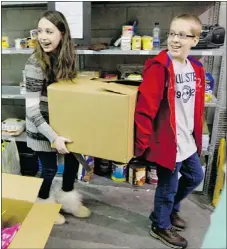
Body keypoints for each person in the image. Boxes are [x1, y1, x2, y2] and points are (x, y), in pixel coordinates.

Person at [134, 14, 205, 248]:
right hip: (167, 141)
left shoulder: (196, 68)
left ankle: (169, 211)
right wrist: (141, 143)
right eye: (172, 33)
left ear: (194, 40)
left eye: (183, 35)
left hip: (187, 139)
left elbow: (195, 105)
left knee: (196, 176)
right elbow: (145, 109)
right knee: (168, 186)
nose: (175, 40)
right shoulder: (159, 69)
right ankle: (160, 225)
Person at [25, 10, 91, 225]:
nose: (43, 37)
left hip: (65, 121)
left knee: (72, 161)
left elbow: (73, 93)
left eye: (49, 31)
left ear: (62, 34)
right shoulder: (34, 64)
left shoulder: (69, 57)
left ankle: (68, 199)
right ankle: (42, 203)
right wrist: (54, 137)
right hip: (41, 126)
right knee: (50, 169)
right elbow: (32, 110)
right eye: (40, 31)